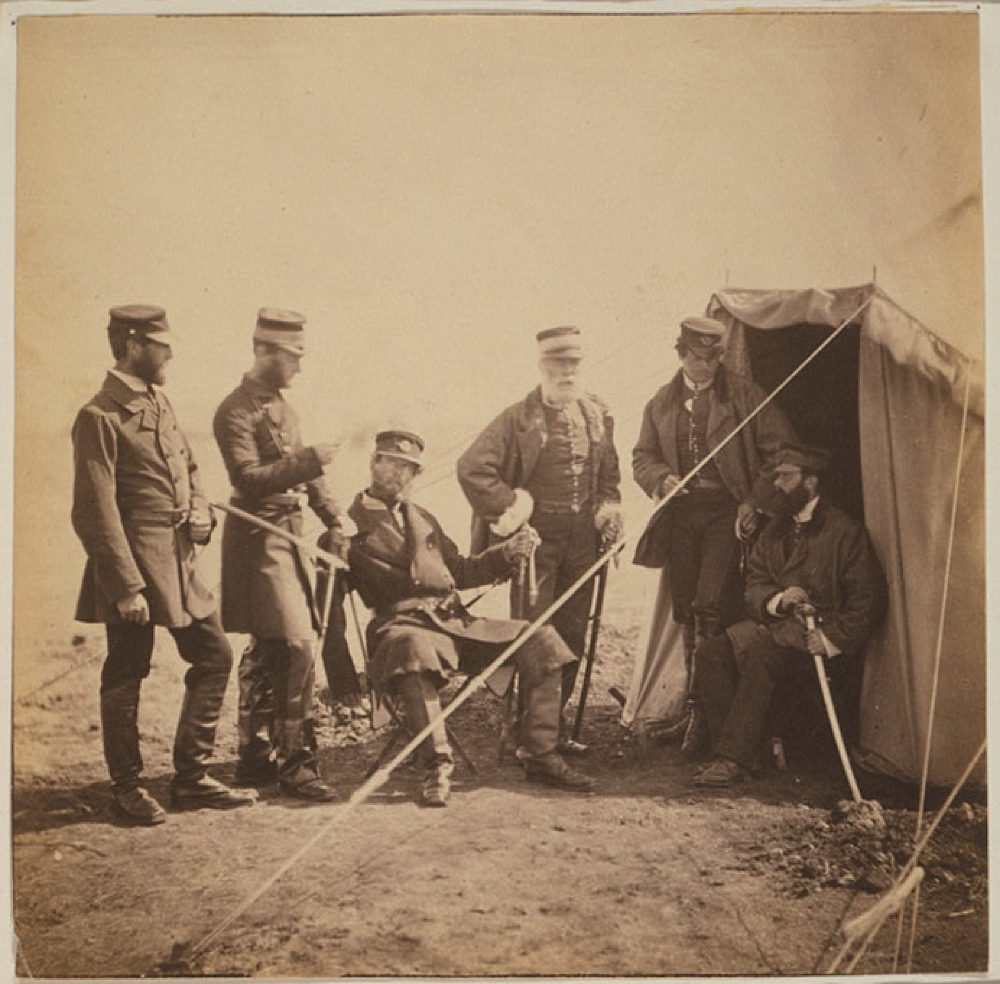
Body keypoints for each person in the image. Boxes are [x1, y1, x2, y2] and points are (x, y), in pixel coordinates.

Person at [71, 305, 256, 825]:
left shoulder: (160, 402)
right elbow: (94, 509)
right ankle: (126, 789)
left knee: (216, 654)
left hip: (177, 561)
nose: (170, 351)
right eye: (161, 343)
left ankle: (191, 777)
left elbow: (190, 470)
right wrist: (126, 587)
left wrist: (200, 514)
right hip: (132, 563)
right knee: (127, 669)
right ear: (133, 344)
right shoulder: (100, 416)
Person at [348, 430, 595, 807]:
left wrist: (506, 553)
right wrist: (343, 683)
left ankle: (540, 753)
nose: (401, 476)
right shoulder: (348, 526)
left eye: (409, 469)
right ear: (373, 464)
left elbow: (461, 570)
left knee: (542, 638)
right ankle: (436, 765)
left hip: (453, 624)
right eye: (393, 465)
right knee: (412, 648)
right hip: (399, 628)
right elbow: (327, 604)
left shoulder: (423, 518)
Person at [631, 315, 796, 750]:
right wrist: (661, 479)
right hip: (682, 516)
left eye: (713, 358)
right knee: (686, 607)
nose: (706, 367)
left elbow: (782, 452)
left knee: (710, 604)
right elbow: (641, 457)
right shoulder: (661, 403)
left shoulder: (745, 396)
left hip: (727, 514)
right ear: (681, 354)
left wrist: (754, 501)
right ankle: (692, 711)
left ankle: (706, 719)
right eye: (698, 358)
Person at [457, 326, 623, 752]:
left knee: (572, 637)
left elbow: (608, 477)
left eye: (573, 364)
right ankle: (521, 731)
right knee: (534, 637)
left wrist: (608, 511)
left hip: (583, 544)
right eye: (558, 364)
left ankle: (551, 729)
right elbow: (472, 467)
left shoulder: (597, 416)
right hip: (536, 545)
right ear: (542, 366)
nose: (567, 372)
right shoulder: (518, 419)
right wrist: (513, 507)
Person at [688, 443, 887, 786]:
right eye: (776, 476)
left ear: (810, 482)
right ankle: (742, 755)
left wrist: (828, 639)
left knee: (763, 655)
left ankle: (731, 759)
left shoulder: (845, 532)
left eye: (786, 477)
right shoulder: (775, 529)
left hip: (813, 640)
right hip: (775, 628)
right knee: (710, 653)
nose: (777, 485)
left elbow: (867, 601)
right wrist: (778, 599)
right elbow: (753, 584)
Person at [213, 307, 347, 802]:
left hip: (288, 539)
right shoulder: (234, 411)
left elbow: (306, 476)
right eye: (293, 356)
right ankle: (296, 764)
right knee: (295, 645)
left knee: (269, 646)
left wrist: (336, 516)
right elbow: (247, 479)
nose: (299, 366)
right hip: (258, 541)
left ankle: (253, 757)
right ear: (265, 352)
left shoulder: (282, 408)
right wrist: (309, 458)